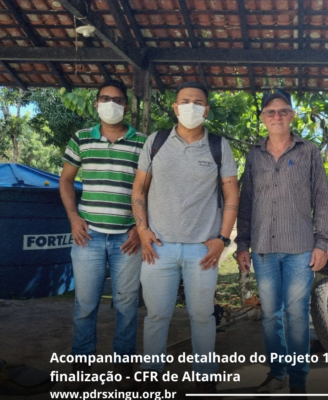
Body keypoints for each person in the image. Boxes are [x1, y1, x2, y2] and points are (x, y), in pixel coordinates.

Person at [132, 81, 239, 394]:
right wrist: (142, 229)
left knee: (203, 316)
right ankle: (151, 374)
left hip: (202, 250)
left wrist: (222, 239)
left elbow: (231, 195)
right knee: (156, 316)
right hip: (158, 248)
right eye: (185, 101)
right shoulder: (156, 141)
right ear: (175, 107)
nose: (191, 107)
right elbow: (139, 189)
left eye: (198, 102)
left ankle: (204, 375)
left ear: (207, 110)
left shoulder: (218, 146)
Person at [235, 89, 328, 396]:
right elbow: (246, 201)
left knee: (297, 315)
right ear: (263, 118)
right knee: (270, 316)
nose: (276, 116)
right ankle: (277, 373)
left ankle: (298, 380)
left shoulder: (309, 151)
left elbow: (321, 198)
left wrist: (322, 243)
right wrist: (242, 244)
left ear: (292, 115)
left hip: (300, 248)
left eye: (282, 111)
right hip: (263, 248)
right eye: (270, 112)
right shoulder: (254, 155)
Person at [60, 80, 146, 391]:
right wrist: (74, 218)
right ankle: (82, 364)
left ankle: (124, 364)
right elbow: (66, 181)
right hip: (89, 235)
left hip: (128, 238)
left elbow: (150, 189)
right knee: (85, 304)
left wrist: (139, 227)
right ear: (96, 103)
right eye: (105, 98)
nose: (111, 104)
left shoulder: (143, 143)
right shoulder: (81, 138)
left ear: (126, 106)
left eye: (118, 99)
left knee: (127, 304)